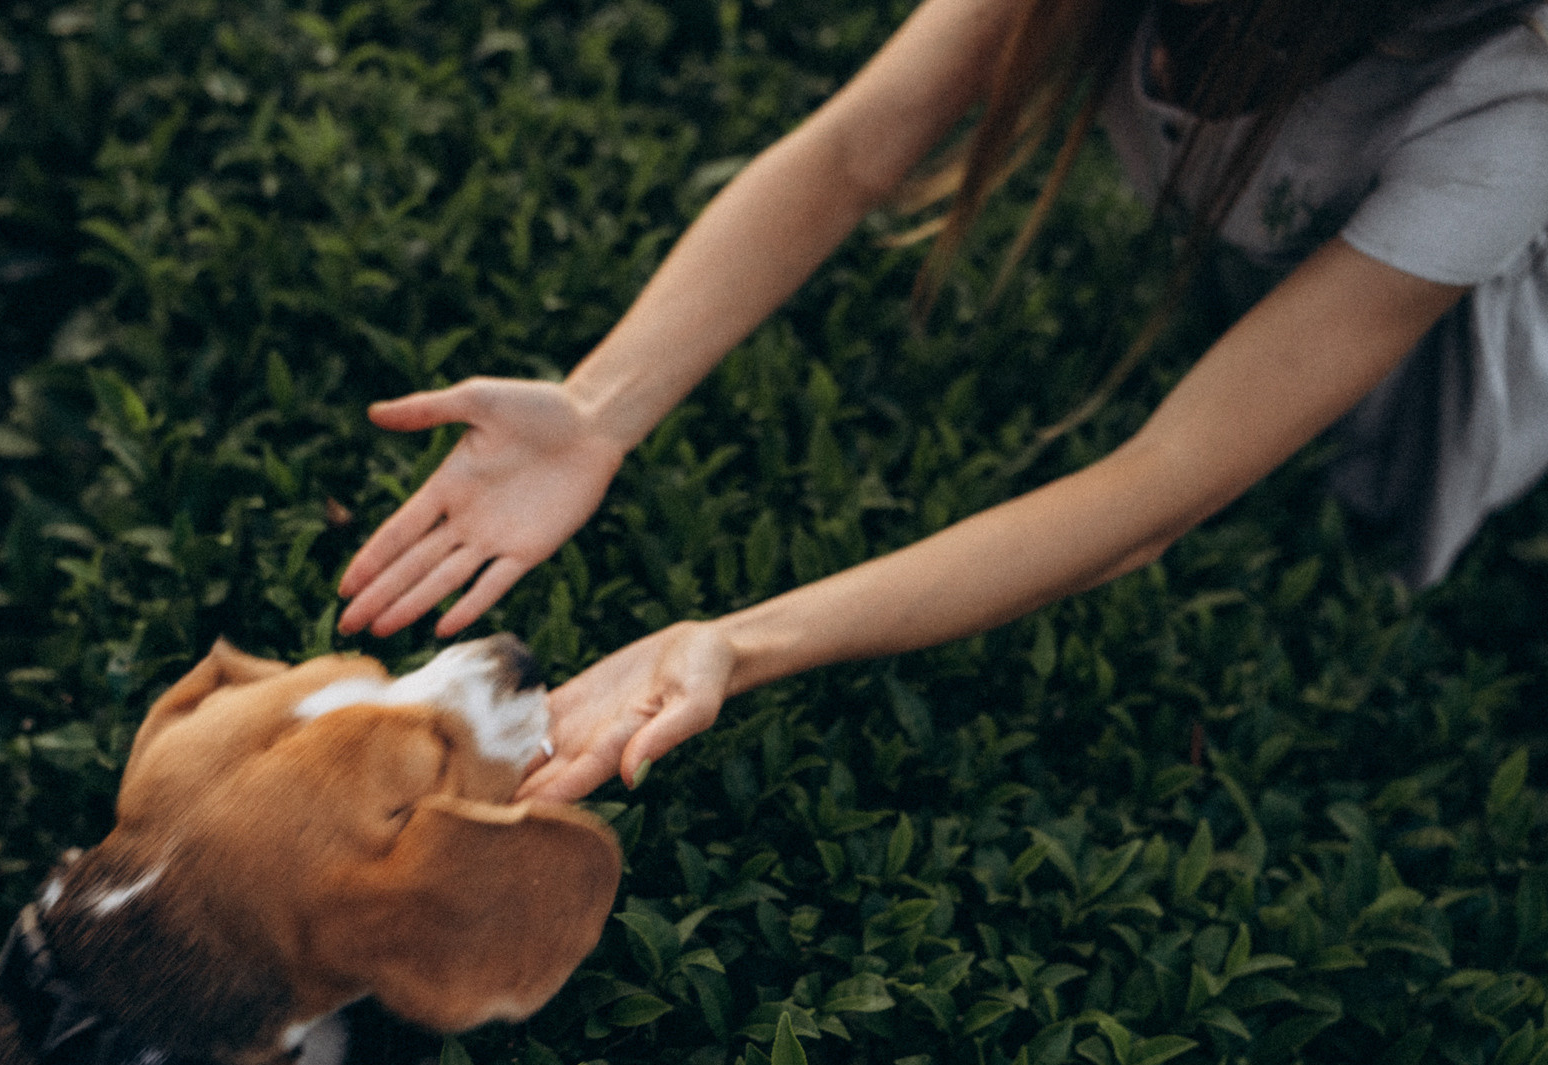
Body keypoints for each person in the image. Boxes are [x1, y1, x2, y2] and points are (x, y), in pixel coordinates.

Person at [334, 0, 1548, 803]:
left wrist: (736, 643)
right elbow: (853, 150)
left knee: (1340, 556)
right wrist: (600, 406)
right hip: (1280, 264)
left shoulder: (1507, 114)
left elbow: (1149, 493)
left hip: (1455, 375)